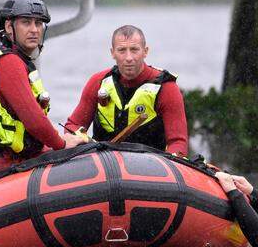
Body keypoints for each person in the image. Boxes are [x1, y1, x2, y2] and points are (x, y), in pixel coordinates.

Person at [0, 0, 85, 182]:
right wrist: (62, 143)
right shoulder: (8, 62)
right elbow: (34, 119)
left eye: (39, 24)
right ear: (9, 27)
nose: (34, 30)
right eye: (26, 22)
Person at [64, 25, 188, 155]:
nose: (128, 58)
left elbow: (178, 142)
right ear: (112, 53)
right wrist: (82, 140)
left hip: (152, 167)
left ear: (145, 51)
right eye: (122, 50)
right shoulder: (98, 82)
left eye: (134, 50)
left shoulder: (166, 88)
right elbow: (73, 125)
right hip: (105, 164)